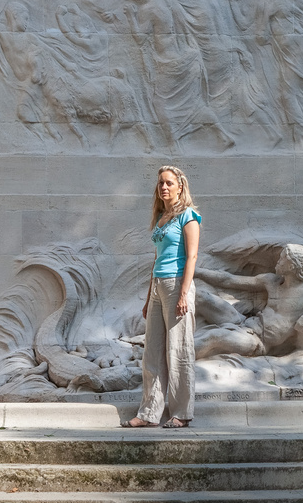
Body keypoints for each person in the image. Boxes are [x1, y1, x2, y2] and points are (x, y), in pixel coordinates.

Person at [127, 165, 200, 428]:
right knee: (153, 353)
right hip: (158, 287)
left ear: (180, 186)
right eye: (160, 183)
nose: (164, 187)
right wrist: (148, 299)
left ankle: (181, 413)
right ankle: (149, 413)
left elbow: (192, 256)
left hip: (177, 285)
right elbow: (156, 260)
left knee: (178, 350)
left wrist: (183, 293)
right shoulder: (161, 219)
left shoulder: (188, 217)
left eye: (169, 183)